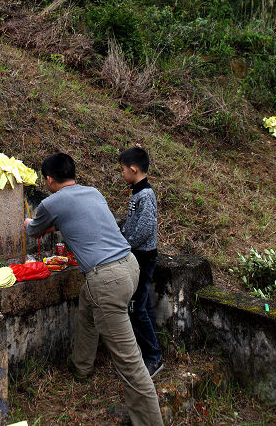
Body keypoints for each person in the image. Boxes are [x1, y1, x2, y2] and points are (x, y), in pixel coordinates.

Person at [24, 153, 163, 426]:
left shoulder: (51, 202)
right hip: (130, 265)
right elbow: (75, 220)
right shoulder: (92, 192)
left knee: (130, 364)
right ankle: (81, 366)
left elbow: (35, 231)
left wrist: (28, 224)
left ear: (49, 180)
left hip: (107, 279)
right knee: (88, 302)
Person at [119, 147, 163, 379]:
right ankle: (150, 348)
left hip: (143, 258)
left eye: (123, 170)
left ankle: (153, 356)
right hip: (138, 255)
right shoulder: (137, 192)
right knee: (143, 306)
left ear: (133, 169)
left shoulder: (145, 195)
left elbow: (145, 228)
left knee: (137, 308)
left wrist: (126, 244)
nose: (122, 174)